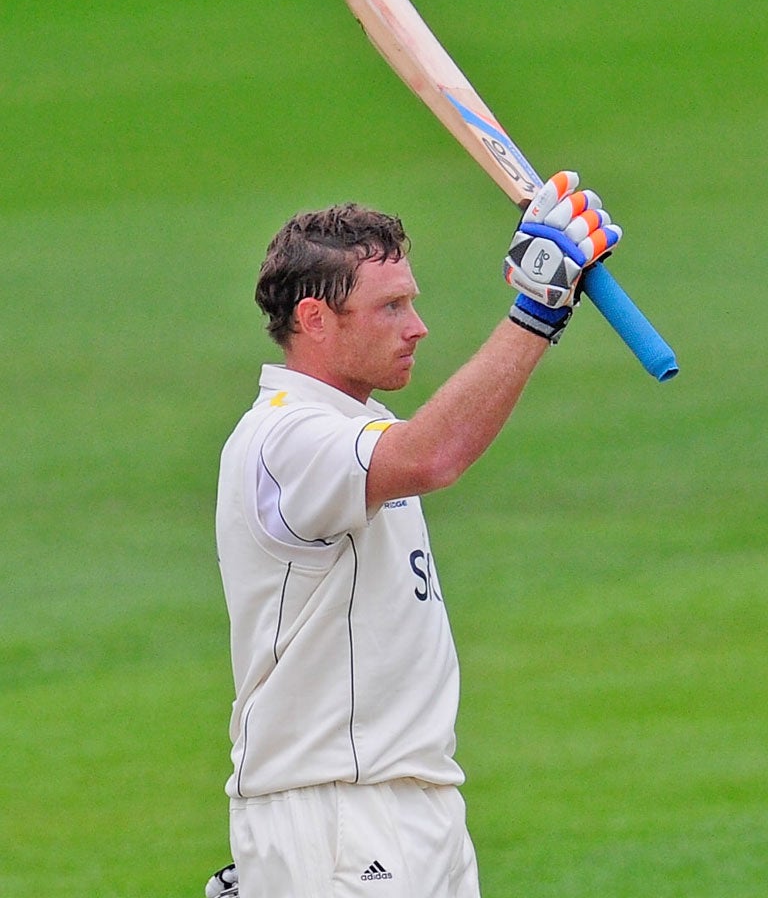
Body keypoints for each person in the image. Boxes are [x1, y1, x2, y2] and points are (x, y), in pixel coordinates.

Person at [212, 171, 621, 898]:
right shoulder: (286, 436)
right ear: (314, 320)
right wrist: (536, 308)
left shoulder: (357, 432)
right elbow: (434, 456)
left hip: (413, 804)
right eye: (390, 306)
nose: (417, 327)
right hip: (338, 813)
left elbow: (424, 447)